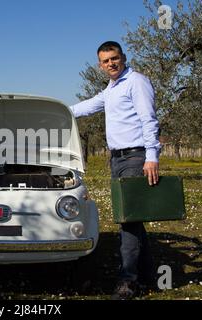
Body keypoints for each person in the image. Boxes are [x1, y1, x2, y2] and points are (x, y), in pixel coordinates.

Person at [70, 41, 161, 299]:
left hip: (135, 157)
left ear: (123, 57)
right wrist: (56, 112)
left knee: (128, 219)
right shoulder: (111, 89)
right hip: (117, 159)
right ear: (100, 65)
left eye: (114, 58)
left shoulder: (136, 82)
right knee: (132, 217)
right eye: (106, 60)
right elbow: (86, 106)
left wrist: (151, 156)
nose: (111, 63)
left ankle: (127, 281)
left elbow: (148, 119)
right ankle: (147, 275)